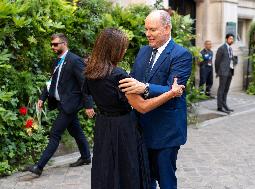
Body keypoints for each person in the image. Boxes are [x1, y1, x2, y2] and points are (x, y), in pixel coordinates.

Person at [83, 28, 185, 189]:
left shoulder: (91, 70)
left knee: (107, 169)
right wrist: (171, 93)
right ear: (114, 49)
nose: (124, 51)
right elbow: (142, 107)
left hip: (103, 126)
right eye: (122, 47)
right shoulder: (118, 75)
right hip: (123, 128)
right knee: (127, 171)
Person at [118, 10, 192, 189]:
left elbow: (174, 90)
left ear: (167, 28)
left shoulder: (181, 55)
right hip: (141, 128)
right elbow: (134, 81)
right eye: (146, 29)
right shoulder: (143, 51)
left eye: (152, 30)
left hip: (166, 131)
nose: (147, 34)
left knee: (166, 180)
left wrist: (146, 88)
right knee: (145, 179)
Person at [28, 33, 94, 176]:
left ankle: (39, 167)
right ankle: (86, 157)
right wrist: (42, 97)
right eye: (51, 44)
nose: (53, 47)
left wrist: (89, 105)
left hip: (70, 105)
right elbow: (52, 82)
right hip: (61, 103)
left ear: (64, 43)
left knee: (55, 133)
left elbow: (85, 83)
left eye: (55, 44)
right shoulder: (56, 61)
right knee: (76, 131)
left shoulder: (75, 60)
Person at [215, 33, 236, 114]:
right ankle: (219, 107)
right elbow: (217, 61)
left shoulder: (230, 48)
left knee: (226, 89)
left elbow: (231, 59)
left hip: (230, 71)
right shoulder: (221, 48)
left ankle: (225, 105)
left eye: (232, 39)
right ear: (226, 39)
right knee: (221, 89)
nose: (232, 40)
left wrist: (234, 61)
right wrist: (217, 71)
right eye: (230, 38)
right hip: (223, 72)